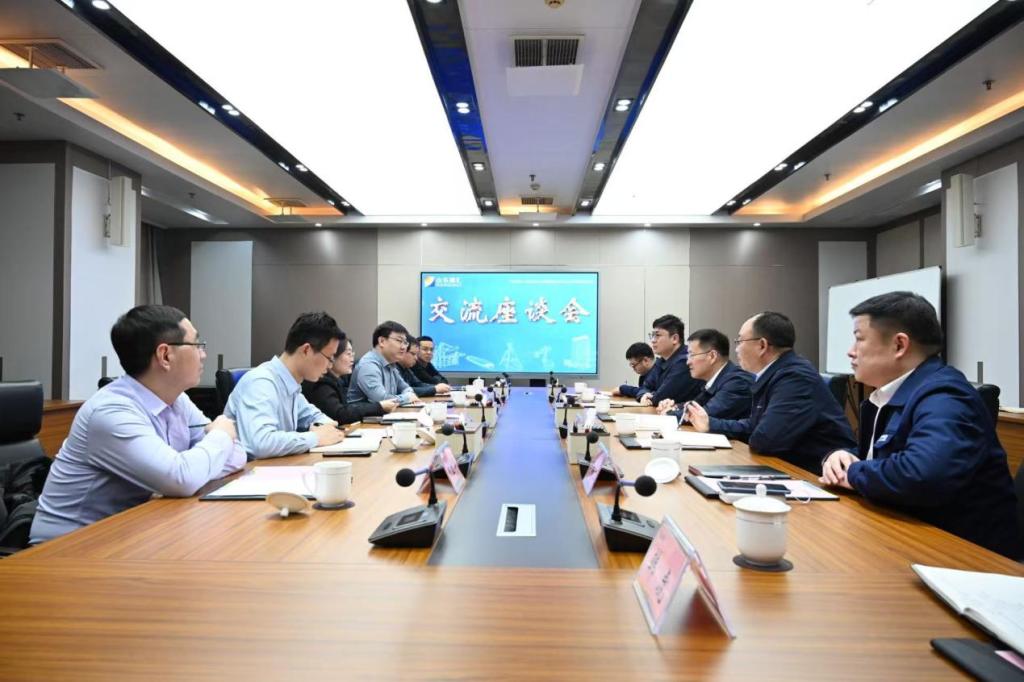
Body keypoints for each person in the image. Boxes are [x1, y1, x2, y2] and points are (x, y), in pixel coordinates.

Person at [820, 292, 1020, 558]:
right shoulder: (887, 396)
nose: (850, 351)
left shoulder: (945, 396)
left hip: (965, 558)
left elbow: (922, 474)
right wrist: (839, 458)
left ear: (899, 345)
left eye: (859, 338)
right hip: (906, 538)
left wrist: (854, 473)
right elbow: (878, 459)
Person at [30, 305, 246, 544]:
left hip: (133, 531)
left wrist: (196, 467)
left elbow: (237, 455)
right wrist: (220, 435)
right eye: (196, 345)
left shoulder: (177, 399)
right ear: (165, 355)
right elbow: (182, 478)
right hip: (68, 546)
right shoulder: (111, 412)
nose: (203, 354)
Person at [685, 311, 856, 473]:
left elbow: (765, 440)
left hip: (816, 475)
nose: (736, 350)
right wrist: (710, 424)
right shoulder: (775, 373)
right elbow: (755, 425)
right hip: (788, 466)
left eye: (740, 341)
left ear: (762, 345)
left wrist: (748, 430)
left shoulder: (795, 377)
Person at [226, 312, 345, 459]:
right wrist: (315, 437)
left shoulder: (291, 384)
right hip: (248, 470)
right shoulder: (261, 382)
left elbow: (313, 416)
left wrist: (329, 428)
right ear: (306, 350)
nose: (329, 366)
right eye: (329, 358)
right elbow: (261, 443)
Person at [658, 328, 752, 420]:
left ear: (712, 356)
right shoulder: (716, 380)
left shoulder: (736, 382)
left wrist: (669, 413)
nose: (688, 362)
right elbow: (696, 405)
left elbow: (704, 414)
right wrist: (674, 407)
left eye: (692, 355)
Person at [303, 338, 398, 425]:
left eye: (352, 353)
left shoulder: (339, 380)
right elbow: (340, 414)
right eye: (348, 353)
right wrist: (379, 406)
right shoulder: (321, 383)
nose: (352, 358)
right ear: (332, 356)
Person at [636, 314, 702, 407]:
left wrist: (649, 396)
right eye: (652, 335)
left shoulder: (685, 362)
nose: (653, 340)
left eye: (657, 335)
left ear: (674, 339)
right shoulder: (661, 360)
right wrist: (643, 395)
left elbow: (661, 398)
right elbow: (645, 387)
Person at [347, 320, 418, 405]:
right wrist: (407, 398)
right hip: (366, 414)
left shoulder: (391, 365)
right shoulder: (369, 365)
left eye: (405, 343)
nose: (403, 347)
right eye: (399, 341)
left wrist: (409, 395)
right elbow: (382, 400)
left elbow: (406, 388)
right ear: (382, 341)